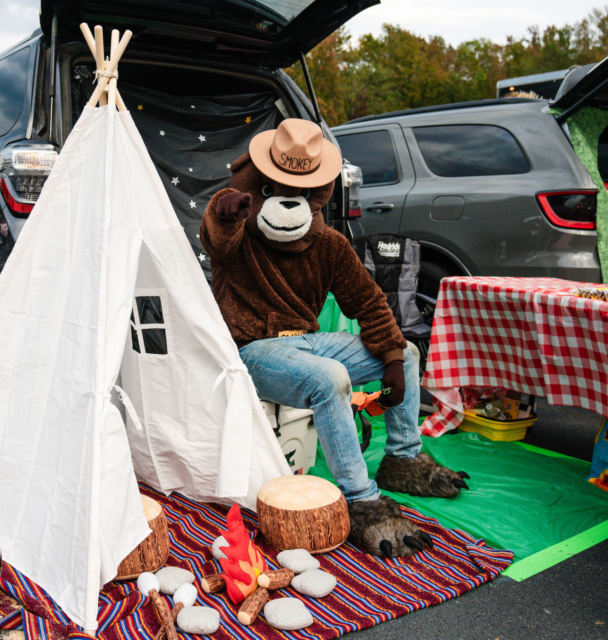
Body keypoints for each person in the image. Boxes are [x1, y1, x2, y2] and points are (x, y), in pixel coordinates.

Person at [201, 118, 469, 558]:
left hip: (308, 341)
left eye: (302, 193)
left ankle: (403, 459)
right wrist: (222, 212)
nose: (288, 204)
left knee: (405, 351)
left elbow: (368, 301)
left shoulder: (328, 244)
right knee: (330, 377)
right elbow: (217, 241)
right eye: (271, 190)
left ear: (317, 195)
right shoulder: (241, 236)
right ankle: (361, 500)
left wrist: (393, 359)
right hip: (252, 349)